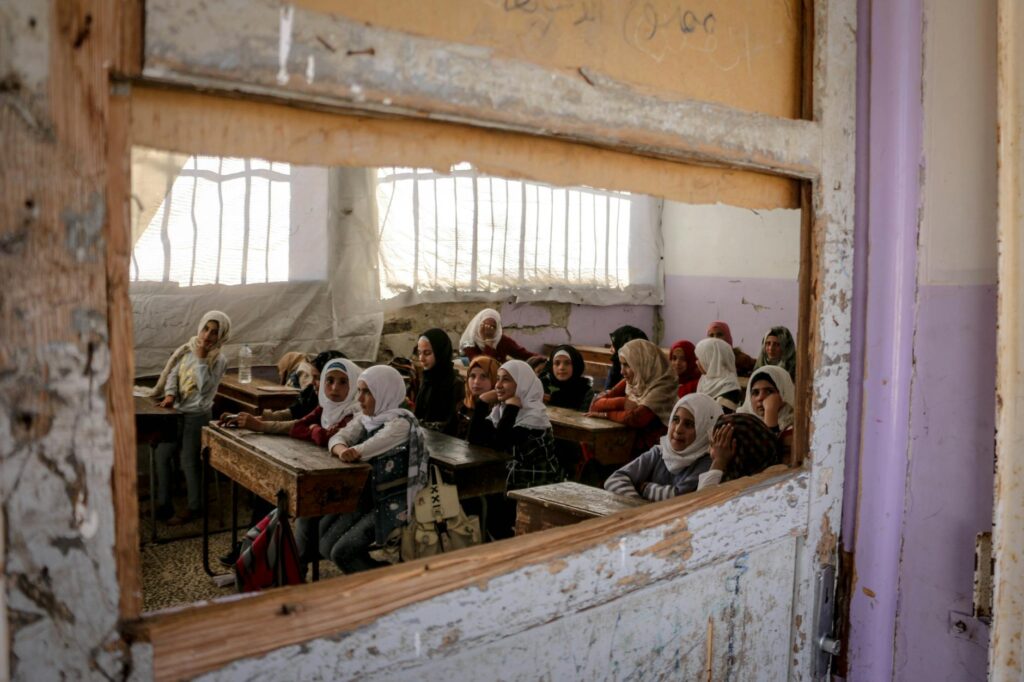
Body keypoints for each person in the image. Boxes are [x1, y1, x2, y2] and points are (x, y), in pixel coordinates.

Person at [319, 366, 429, 573]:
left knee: (341, 553)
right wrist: (342, 449)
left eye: (367, 392)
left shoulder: (400, 424)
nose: (359, 399)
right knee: (325, 546)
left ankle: (384, 583)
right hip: (367, 497)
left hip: (394, 502)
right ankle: (377, 571)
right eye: (359, 391)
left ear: (385, 392)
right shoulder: (367, 418)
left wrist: (348, 451)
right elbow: (336, 438)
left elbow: (364, 451)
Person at [150, 310, 231, 525]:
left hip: (197, 416)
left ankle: (195, 507)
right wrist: (169, 395)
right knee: (161, 455)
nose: (207, 336)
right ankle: (164, 503)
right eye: (206, 329)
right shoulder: (186, 350)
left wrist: (202, 359)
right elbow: (172, 376)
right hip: (175, 413)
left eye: (214, 332)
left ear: (221, 336)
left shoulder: (218, 359)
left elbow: (204, 389)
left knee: (189, 461)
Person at [468, 359, 566, 537]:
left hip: (533, 489)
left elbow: (500, 443)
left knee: (486, 505)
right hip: (510, 484)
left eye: (505, 380)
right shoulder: (500, 411)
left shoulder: (533, 418)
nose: (498, 385)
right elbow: (475, 439)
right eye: (497, 379)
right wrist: (482, 402)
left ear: (521, 384)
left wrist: (512, 408)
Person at [603, 393, 724, 500]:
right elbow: (614, 479)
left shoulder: (705, 462)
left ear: (705, 430)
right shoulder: (660, 452)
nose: (678, 429)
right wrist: (637, 504)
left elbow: (679, 498)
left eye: (689, 424)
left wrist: (645, 488)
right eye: (675, 420)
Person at [587, 339, 678, 462]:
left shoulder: (662, 387)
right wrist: (622, 402)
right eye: (621, 364)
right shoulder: (633, 381)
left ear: (642, 363)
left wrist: (606, 414)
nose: (621, 371)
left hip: (655, 453)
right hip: (631, 445)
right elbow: (595, 405)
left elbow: (636, 418)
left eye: (626, 365)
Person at [222, 350, 345, 434]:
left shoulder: (349, 409)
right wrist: (246, 419)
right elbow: (293, 413)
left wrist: (258, 425)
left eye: (318, 378)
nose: (312, 382)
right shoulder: (313, 393)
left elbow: (301, 425)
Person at [700, 411, 784, 490]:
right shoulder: (780, 471)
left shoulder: (741, 488)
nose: (710, 451)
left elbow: (702, 500)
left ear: (736, 450)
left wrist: (718, 461)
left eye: (716, 445)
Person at [288, 358, 363, 445]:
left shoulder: (354, 412)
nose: (335, 388)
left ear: (353, 385)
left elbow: (324, 438)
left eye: (343, 382)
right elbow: (296, 427)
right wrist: (317, 431)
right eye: (330, 381)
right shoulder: (324, 407)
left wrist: (313, 427)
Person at [737, 365, 795, 460]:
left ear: (783, 394)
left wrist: (771, 412)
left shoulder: (794, 429)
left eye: (769, 391)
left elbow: (766, 458)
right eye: (755, 393)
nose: (760, 398)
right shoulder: (743, 423)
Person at [414, 328, 464, 434]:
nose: (421, 358)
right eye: (419, 353)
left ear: (441, 353)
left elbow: (450, 424)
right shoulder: (427, 379)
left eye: (427, 353)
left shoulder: (454, 383)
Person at [459, 308, 538, 362]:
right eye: (484, 325)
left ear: (497, 329)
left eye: (492, 327)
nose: (488, 330)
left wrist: (545, 360)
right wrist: (489, 342)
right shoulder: (469, 342)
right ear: (478, 325)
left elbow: (523, 354)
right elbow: (482, 364)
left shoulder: (501, 340)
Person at [455, 355, 499, 440]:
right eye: (472, 376)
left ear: (495, 379)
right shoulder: (462, 406)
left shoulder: (497, 413)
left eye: (484, 376)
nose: (476, 382)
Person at [694, 337, 743, 412]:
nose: (696, 362)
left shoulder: (729, 386)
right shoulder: (705, 379)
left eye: (700, 358)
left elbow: (722, 415)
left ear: (711, 359)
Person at [541, 345, 594, 411]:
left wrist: (551, 399)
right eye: (557, 363)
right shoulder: (543, 385)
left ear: (576, 365)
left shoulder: (585, 392)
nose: (561, 368)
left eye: (567, 363)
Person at [605, 325, 648, 389]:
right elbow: (608, 391)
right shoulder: (616, 366)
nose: (610, 350)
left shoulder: (644, 373)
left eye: (613, 346)